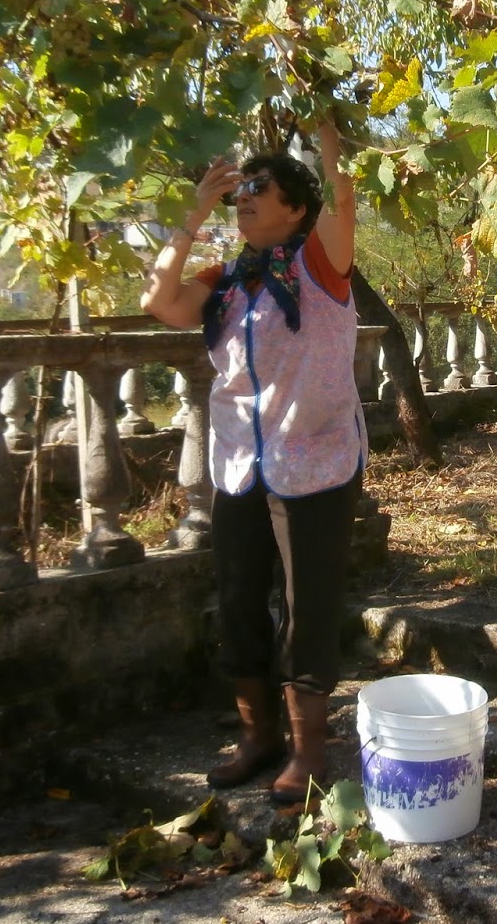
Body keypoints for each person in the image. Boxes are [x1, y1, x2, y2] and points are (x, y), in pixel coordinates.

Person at [138, 120, 362, 806]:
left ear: (295, 208)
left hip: (316, 460)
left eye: (260, 187)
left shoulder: (320, 263)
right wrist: (193, 214)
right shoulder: (227, 280)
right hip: (238, 462)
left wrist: (331, 148)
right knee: (238, 600)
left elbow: (343, 202)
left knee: (306, 605)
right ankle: (257, 735)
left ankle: (307, 748)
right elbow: (159, 301)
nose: (245, 196)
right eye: (242, 188)